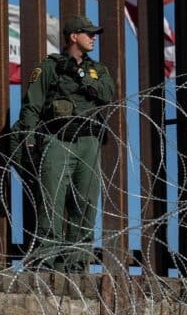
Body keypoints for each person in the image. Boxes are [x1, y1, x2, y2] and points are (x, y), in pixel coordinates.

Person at [16, 15, 116, 272]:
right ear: (74, 36)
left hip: (88, 141)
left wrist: (83, 78)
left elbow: (107, 94)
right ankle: (46, 263)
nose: (93, 38)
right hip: (57, 140)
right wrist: (28, 142)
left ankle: (77, 263)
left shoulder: (98, 70)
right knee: (51, 203)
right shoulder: (49, 68)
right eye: (88, 33)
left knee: (86, 205)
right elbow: (32, 107)